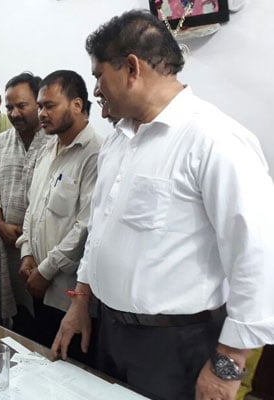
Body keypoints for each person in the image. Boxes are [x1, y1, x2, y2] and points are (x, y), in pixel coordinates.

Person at [52, 10, 274, 400]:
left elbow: (257, 258)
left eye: (99, 76)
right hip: (112, 332)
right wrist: (81, 302)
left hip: (177, 345)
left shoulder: (215, 140)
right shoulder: (119, 139)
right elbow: (99, 230)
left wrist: (228, 363)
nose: (97, 90)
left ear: (132, 69)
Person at [15, 70, 101, 354]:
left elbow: (85, 227)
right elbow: (33, 208)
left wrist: (46, 270)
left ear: (77, 105)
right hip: (37, 285)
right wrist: (27, 252)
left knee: (71, 370)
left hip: (69, 296)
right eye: (39, 106)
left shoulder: (95, 153)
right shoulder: (46, 149)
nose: (42, 113)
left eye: (49, 106)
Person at [0, 72, 48, 329]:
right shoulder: (0, 144)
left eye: (22, 105)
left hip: (42, 250)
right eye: (9, 107)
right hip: (8, 245)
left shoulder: (54, 142)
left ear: (38, 102)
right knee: (19, 316)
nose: (15, 113)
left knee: (46, 315)